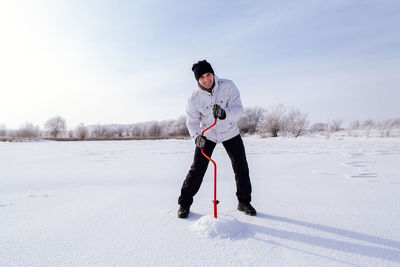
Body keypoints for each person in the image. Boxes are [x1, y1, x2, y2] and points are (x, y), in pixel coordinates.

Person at [177, 60, 256, 218]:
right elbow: (192, 122)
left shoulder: (228, 85)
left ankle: (244, 202)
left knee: (241, 167)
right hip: (208, 134)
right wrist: (196, 137)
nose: (206, 79)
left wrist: (225, 113)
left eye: (208, 75)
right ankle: (184, 204)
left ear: (213, 74)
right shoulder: (193, 99)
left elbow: (238, 109)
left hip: (229, 131)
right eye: (202, 77)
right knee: (197, 168)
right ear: (197, 80)